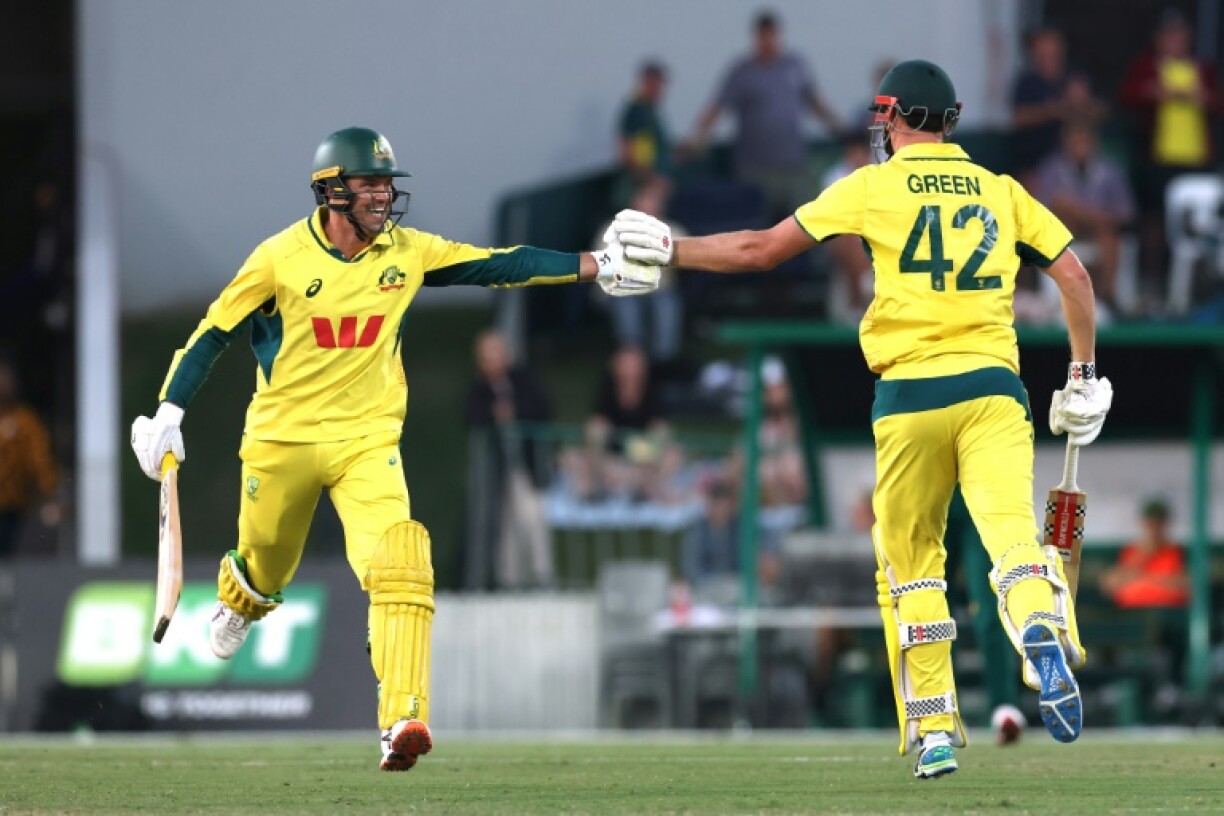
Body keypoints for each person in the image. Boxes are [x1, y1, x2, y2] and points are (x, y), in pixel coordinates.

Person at [611, 59, 1114, 779]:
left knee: (912, 568)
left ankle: (934, 731)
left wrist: (673, 250)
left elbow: (760, 250)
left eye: (885, 114)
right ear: (952, 120)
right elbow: (1075, 277)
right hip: (993, 390)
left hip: (910, 395)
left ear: (899, 115)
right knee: (1012, 542)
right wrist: (1083, 374)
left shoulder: (872, 185)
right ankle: (1037, 624)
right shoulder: (1002, 189)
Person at [127, 126, 658, 772]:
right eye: (370, 184)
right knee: (264, 569)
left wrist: (595, 265)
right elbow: (214, 332)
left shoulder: (408, 254)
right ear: (331, 191)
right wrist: (170, 410)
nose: (383, 195)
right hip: (281, 442)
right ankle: (242, 602)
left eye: (387, 184)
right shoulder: (278, 258)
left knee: (400, 562)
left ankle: (401, 717)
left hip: (367, 443)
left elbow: (500, 263)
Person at [686, 10, 841, 223]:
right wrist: (698, 138)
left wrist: (838, 128)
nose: (768, 41)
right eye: (763, 36)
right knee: (757, 227)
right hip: (755, 169)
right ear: (756, 37)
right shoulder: (742, 71)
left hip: (793, 167)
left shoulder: (795, 66)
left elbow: (815, 101)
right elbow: (717, 107)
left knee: (806, 223)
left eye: (772, 35)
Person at [1120, 8, 1223, 302]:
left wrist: (1202, 98)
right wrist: (1153, 93)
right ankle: (1154, 282)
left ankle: (1197, 288)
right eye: (1169, 35)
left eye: (1179, 35)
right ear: (1159, 39)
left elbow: (1217, 102)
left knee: (1200, 223)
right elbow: (1128, 96)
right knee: (1155, 223)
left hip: (1196, 161)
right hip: (1158, 160)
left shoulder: (1202, 69)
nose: (1175, 41)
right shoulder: (1148, 67)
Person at [462, 328, 555, 591]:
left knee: (531, 516)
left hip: (526, 464)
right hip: (496, 470)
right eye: (487, 355)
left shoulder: (524, 379)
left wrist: (514, 413)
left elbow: (544, 408)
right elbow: (470, 414)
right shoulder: (480, 388)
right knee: (505, 524)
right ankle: (509, 579)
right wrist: (495, 414)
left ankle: (541, 575)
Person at [1034, 121, 1138, 316]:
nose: (1080, 148)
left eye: (1084, 143)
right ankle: (1056, 304)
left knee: (1107, 232)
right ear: (1066, 145)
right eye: (1075, 143)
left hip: (1100, 231)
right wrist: (1077, 213)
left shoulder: (1111, 171)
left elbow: (1126, 214)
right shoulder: (1052, 169)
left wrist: (1087, 214)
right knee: (1062, 206)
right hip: (1065, 229)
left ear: (1093, 144)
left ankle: (1108, 296)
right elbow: (1042, 208)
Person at [1010, 25, 1107, 187]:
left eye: (1051, 45)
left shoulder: (1076, 77)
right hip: (1036, 163)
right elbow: (1017, 119)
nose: (1047, 51)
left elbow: (1102, 111)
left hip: (1080, 164)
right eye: (1041, 46)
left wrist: (1082, 103)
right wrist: (1052, 110)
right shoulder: (1027, 82)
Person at [0, 355, 60, 558]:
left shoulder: (24, 420)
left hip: (14, 506)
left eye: (6, 379)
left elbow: (39, 458)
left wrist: (49, 491)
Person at [1099, 496, 1188, 609]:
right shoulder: (1130, 551)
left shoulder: (1176, 551)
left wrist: (1146, 578)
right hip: (1131, 611)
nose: (1154, 528)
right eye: (1150, 523)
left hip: (1168, 611)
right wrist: (1143, 556)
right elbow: (1109, 584)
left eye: (1158, 523)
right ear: (1143, 523)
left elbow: (1187, 585)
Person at [612, 60, 675, 214]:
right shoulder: (637, 111)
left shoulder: (651, 111)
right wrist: (651, 179)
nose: (660, 90)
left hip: (653, 185)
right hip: (642, 188)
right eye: (656, 85)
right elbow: (628, 151)